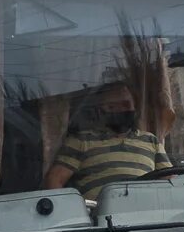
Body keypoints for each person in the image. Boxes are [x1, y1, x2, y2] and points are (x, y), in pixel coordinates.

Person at [44, 81, 172, 197]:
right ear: (100, 111)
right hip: (100, 219)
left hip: (148, 216)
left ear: (135, 107)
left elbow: (170, 180)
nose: (120, 110)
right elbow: (55, 180)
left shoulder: (150, 140)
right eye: (111, 107)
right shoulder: (81, 140)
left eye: (126, 104)